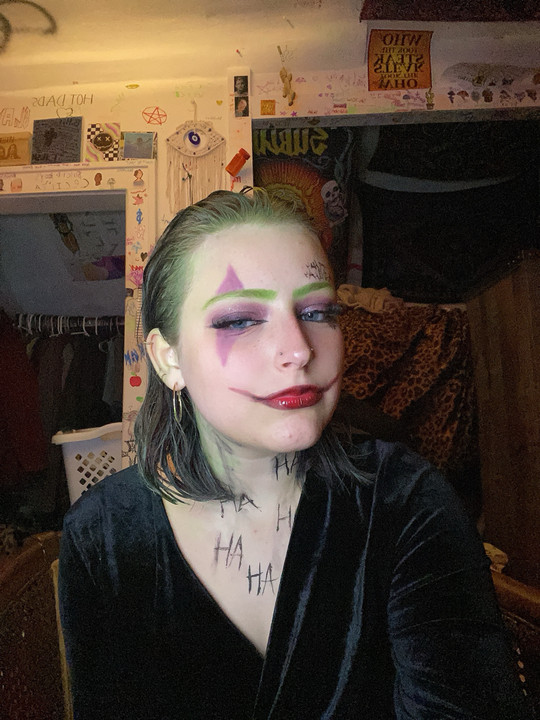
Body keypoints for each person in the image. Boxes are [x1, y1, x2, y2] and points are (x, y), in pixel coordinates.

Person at [58, 189, 531, 720]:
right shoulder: (100, 536)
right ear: (168, 359)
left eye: (317, 311)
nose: (300, 349)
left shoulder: (406, 501)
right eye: (239, 320)